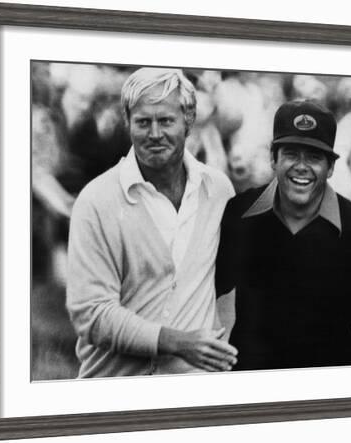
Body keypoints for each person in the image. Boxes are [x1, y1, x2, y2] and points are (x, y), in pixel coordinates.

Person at [66, 67, 238, 377]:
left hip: (196, 395)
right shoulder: (97, 201)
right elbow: (90, 313)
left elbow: (229, 285)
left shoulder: (218, 190)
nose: (155, 134)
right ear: (127, 123)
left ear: (188, 121)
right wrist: (177, 342)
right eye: (143, 122)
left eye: (166, 121)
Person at [215, 100, 351, 370]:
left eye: (314, 157)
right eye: (291, 153)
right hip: (254, 383)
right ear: (273, 158)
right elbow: (206, 287)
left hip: (330, 387)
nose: (302, 166)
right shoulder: (240, 214)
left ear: (331, 167)